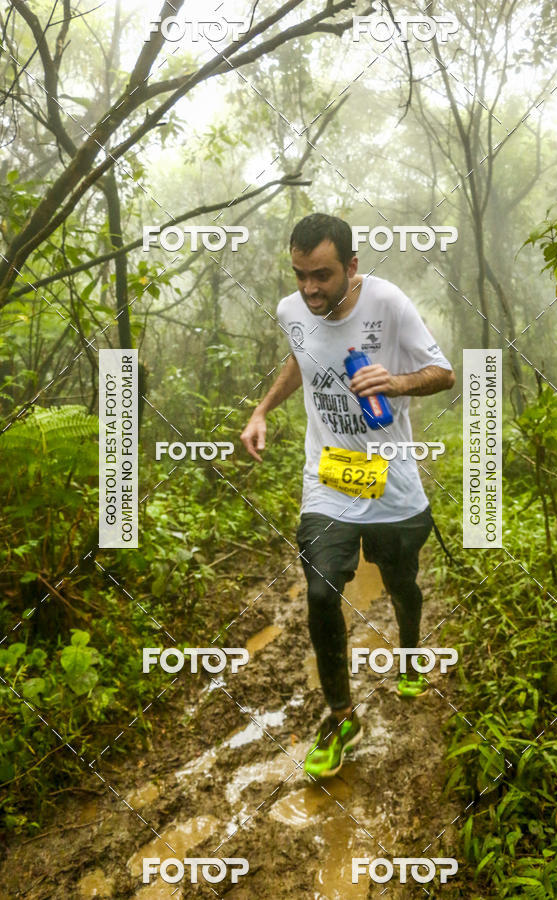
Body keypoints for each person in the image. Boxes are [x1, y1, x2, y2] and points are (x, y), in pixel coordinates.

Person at [240, 213, 455, 778]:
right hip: (328, 480)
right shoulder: (294, 311)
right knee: (318, 592)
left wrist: (397, 382)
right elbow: (301, 360)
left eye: (323, 276)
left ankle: (409, 653)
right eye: (300, 275)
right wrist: (262, 410)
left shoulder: (388, 303)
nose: (310, 289)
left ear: (352, 267)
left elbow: (443, 372)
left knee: (401, 582)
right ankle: (340, 716)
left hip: (392, 480)